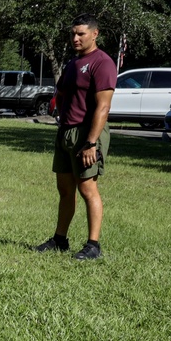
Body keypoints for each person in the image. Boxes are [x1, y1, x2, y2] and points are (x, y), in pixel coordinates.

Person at [33, 14, 116, 261]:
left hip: (87, 132)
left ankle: (93, 245)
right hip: (66, 132)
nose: (75, 38)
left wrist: (91, 142)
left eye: (81, 33)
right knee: (65, 189)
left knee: (87, 188)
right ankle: (60, 239)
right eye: (73, 33)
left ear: (95, 34)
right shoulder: (73, 63)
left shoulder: (102, 63)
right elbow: (62, 94)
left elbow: (103, 107)